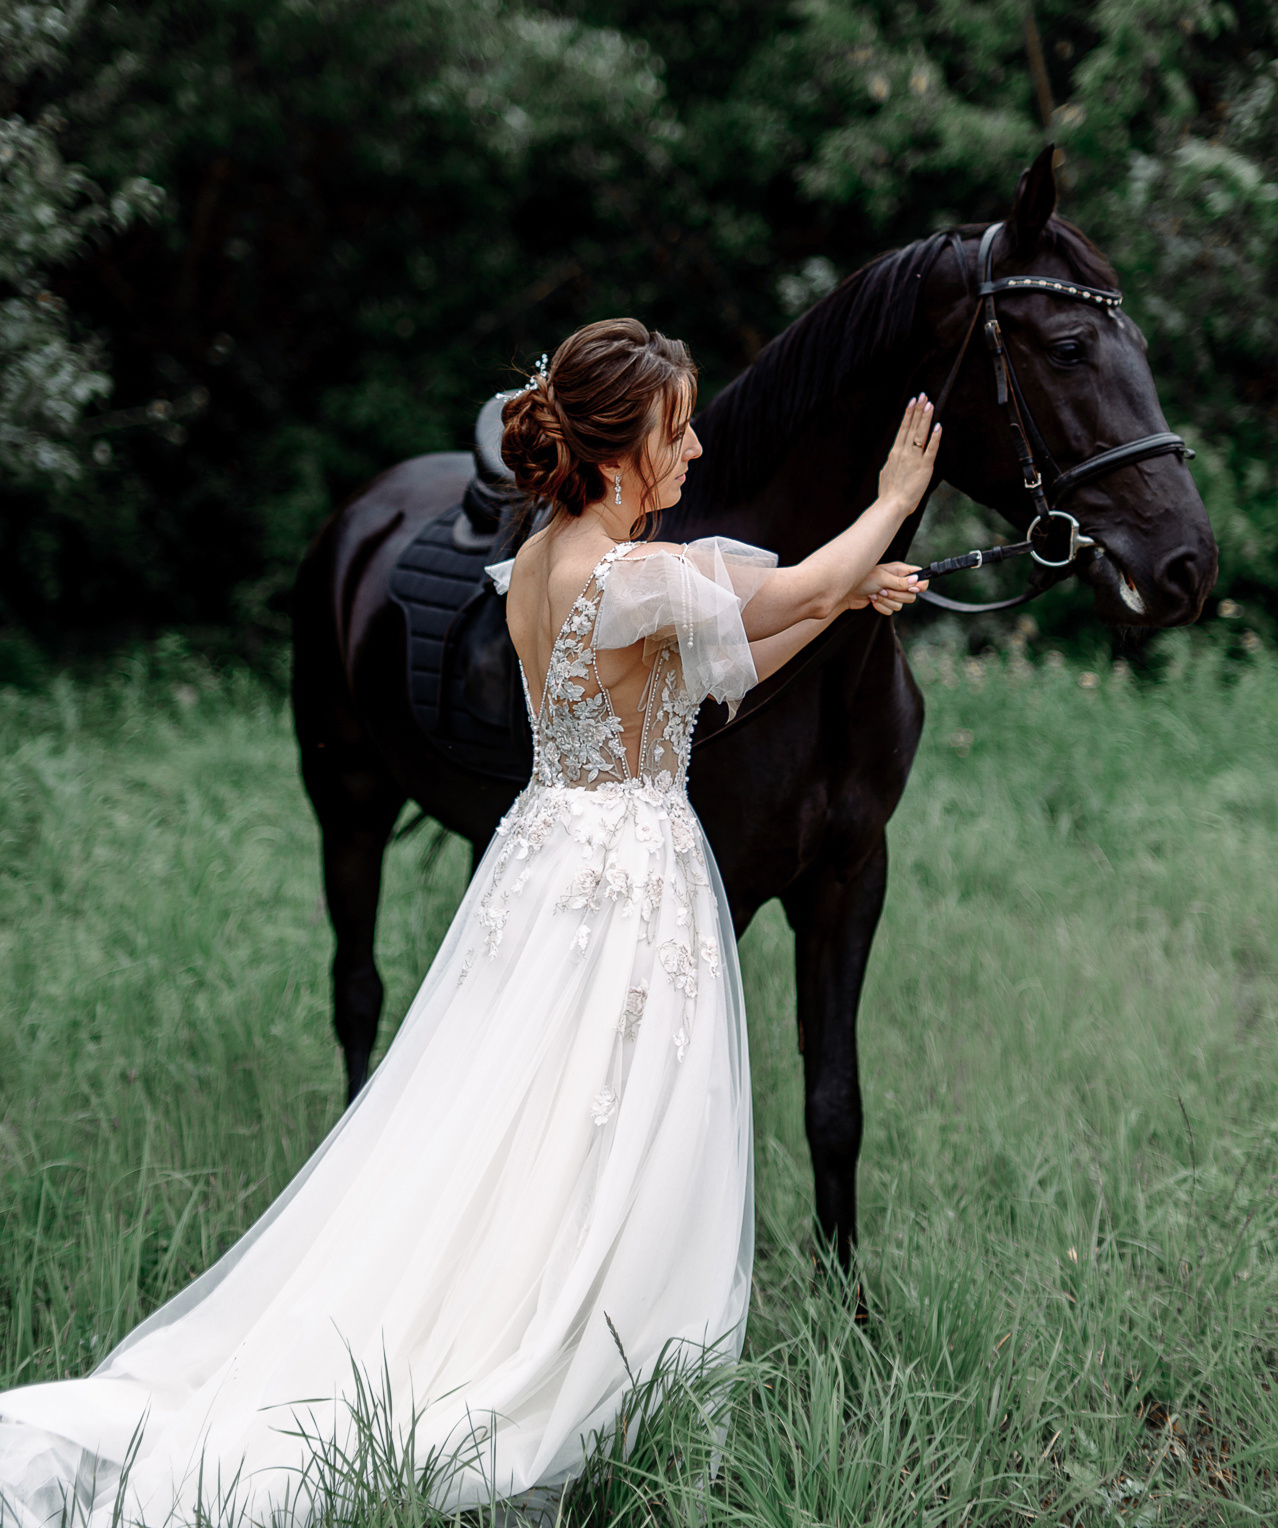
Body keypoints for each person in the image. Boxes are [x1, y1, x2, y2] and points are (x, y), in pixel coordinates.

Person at [0, 318, 938, 1527]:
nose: (699, 449)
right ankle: (581, 1375)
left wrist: (851, 599)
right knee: (615, 1132)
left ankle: (560, 1332)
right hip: (627, 882)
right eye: (678, 429)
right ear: (619, 451)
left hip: (551, 859)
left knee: (534, 1124)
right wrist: (889, 504)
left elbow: (737, 653)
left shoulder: (552, 564)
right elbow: (788, 587)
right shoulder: (637, 578)